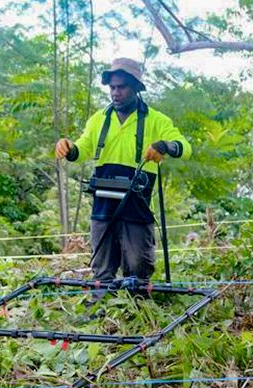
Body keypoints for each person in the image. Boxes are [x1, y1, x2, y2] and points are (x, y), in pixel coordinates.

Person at [55, 57, 191, 293]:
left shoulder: (156, 120)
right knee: (102, 270)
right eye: (112, 87)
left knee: (138, 268)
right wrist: (68, 148)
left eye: (122, 87)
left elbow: (184, 147)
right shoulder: (99, 119)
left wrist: (165, 146)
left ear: (136, 88)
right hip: (103, 205)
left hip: (136, 205)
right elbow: (82, 148)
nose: (115, 93)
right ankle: (101, 315)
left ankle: (137, 313)